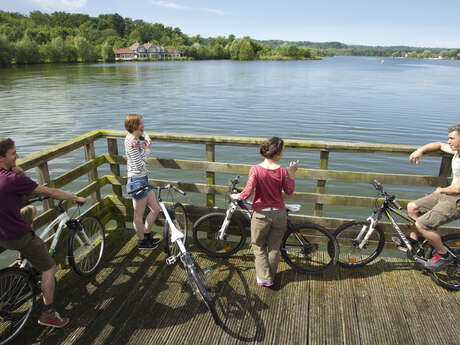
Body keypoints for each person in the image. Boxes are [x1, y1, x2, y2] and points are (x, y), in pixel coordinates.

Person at [0, 137, 86, 328]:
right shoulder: (13, 180)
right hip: (15, 235)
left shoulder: (8, 176)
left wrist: (16, 170)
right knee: (50, 268)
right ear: (1, 157)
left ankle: (25, 259)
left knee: (30, 211)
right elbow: (50, 192)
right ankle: (48, 314)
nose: (17, 156)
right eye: (13, 154)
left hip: (2, 231)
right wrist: (74, 197)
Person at [231, 137, 299, 287]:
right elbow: (289, 191)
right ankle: (270, 276)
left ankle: (265, 278)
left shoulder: (255, 169)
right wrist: (292, 173)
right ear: (279, 154)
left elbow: (247, 192)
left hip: (261, 215)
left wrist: (237, 196)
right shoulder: (282, 171)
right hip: (279, 214)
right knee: (274, 246)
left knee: (258, 245)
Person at [394, 124, 460, 271]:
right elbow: (438, 145)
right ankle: (414, 241)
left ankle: (444, 255)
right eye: (448, 138)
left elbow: (458, 188)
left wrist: (442, 189)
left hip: (456, 200)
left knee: (421, 224)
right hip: (447, 194)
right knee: (412, 207)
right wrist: (421, 150)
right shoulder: (455, 150)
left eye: (452, 138)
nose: (449, 141)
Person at [124, 114, 161, 250]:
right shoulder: (131, 143)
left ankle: (146, 235)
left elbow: (144, 133)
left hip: (143, 179)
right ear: (134, 126)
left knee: (156, 209)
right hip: (137, 181)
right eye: (141, 123)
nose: (143, 125)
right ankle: (142, 242)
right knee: (138, 216)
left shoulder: (135, 136)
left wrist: (145, 137)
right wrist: (147, 149)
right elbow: (140, 165)